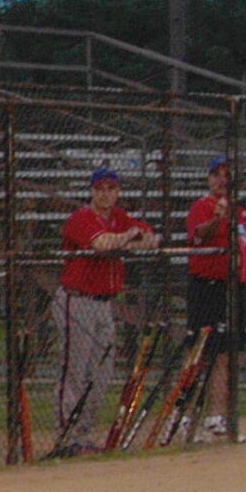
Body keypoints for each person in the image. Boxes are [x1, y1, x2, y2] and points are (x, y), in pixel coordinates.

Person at [49, 167, 157, 454]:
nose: (106, 193)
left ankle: (83, 434)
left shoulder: (119, 218)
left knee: (101, 372)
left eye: (111, 189)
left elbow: (150, 240)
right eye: (100, 189)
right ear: (92, 191)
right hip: (77, 300)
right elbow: (101, 244)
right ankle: (66, 436)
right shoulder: (81, 218)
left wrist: (129, 235)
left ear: (118, 191)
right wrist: (128, 237)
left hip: (104, 303)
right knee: (76, 369)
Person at [184, 158, 246, 439]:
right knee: (198, 351)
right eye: (216, 175)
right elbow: (199, 236)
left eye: (226, 176)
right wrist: (218, 217)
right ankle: (186, 415)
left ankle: (216, 417)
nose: (221, 181)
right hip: (205, 286)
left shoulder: (239, 211)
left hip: (231, 287)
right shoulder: (201, 206)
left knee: (223, 355)